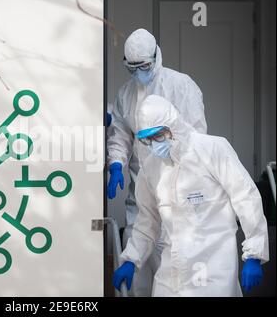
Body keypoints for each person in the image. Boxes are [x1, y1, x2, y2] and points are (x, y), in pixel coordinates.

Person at [112, 95, 269, 296]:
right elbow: (147, 221)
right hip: (171, 270)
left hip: (214, 267)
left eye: (158, 136)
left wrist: (254, 253)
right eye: (146, 139)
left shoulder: (212, 149)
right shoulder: (150, 168)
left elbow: (245, 197)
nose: (153, 144)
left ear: (174, 126)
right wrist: (131, 259)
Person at [107, 28, 207, 296]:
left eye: (145, 66)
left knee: (175, 281)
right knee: (137, 277)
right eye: (133, 68)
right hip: (141, 192)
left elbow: (196, 137)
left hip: (178, 193)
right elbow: (120, 134)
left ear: (156, 56)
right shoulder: (126, 94)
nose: (139, 73)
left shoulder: (180, 86)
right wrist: (116, 163)